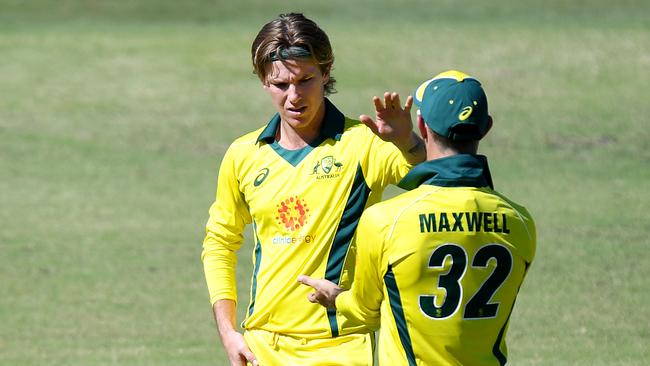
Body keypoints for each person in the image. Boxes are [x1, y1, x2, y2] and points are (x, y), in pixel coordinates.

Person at [201, 12, 426, 366]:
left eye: (305, 80)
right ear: (263, 80)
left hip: (341, 345)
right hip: (264, 348)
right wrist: (229, 333)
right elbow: (220, 243)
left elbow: (434, 178)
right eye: (280, 85)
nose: (294, 96)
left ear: (326, 71)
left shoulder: (363, 144)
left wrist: (407, 142)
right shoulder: (243, 155)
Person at [299, 70, 536, 365]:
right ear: (485, 128)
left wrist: (336, 298)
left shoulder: (386, 220)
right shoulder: (521, 221)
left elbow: (365, 311)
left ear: (422, 125)